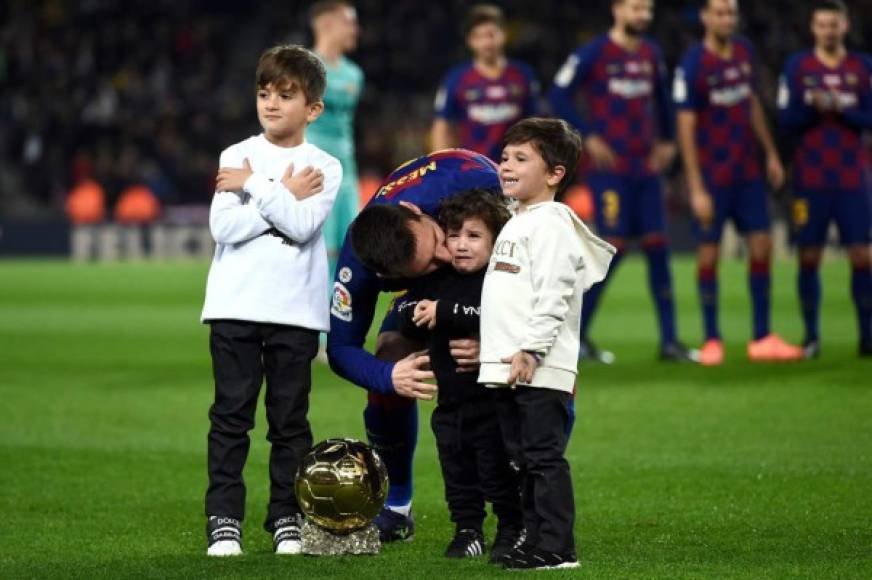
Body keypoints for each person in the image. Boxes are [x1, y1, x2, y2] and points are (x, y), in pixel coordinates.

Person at [200, 44, 340, 557]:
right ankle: (223, 519)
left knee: (289, 422)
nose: (272, 104)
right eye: (264, 93)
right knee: (231, 418)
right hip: (234, 306)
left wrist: (256, 186)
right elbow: (223, 227)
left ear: (314, 108)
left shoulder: (325, 164)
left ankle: (286, 517)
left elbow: (304, 227)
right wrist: (280, 192)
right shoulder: (234, 154)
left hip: (294, 311)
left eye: (286, 94)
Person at [327, 149, 502, 542]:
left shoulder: (476, 184)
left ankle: (532, 491)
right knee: (389, 359)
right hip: (423, 295)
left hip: (497, 268)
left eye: (438, 239)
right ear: (385, 276)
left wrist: (496, 337)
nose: (445, 254)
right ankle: (396, 507)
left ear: (414, 209)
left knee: (534, 357)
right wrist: (390, 377)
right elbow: (340, 349)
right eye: (428, 262)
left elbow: (542, 268)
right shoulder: (358, 264)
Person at [478, 118, 615, 570]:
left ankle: (557, 547)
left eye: (521, 158)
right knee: (521, 460)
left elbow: (554, 294)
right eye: (504, 157)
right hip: (511, 367)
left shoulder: (552, 224)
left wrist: (532, 350)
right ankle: (533, 540)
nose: (506, 166)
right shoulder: (519, 221)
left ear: (555, 174)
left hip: (537, 366)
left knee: (541, 458)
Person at [549, 0, 697, 364]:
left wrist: (667, 141)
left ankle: (669, 342)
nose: (643, 15)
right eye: (636, 8)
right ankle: (576, 339)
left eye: (647, 9)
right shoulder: (594, 52)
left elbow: (663, 102)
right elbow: (558, 94)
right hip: (609, 169)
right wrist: (587, 136)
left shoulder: (651, 53)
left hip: (645, 168)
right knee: (612, 248)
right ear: (617, 9)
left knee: (659, 248)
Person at [395, 190, 523, 562]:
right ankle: (467, 530)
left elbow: (490, 312)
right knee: (456, 472)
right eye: (453, 235)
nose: (461, 245)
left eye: (473, 236)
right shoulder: (436, 280)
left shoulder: (499, 278)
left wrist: (445, 311)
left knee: (496, 470)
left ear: (495, 240)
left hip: (494, 401)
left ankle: (511, 527)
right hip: (449, 402)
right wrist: (415, 310)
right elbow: (404, 309)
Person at [674, 0, 804, 365]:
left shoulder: (744, 51)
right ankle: (712, 339)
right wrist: (696, 187)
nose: (726, 19)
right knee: (710, 251)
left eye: (731, 13)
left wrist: (772, 154)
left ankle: (761, 336)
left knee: (761, 245)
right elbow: (685, 126)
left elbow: (751, 104)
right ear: (705, 17)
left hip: (747, 172)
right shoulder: (693, 64)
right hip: (713, 175)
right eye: (719, 13)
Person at [777, 0, 872, 358]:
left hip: (852, 179)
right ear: (813, 28)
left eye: (834, 24)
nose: (828, 31)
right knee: (809, 257)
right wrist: (812, 109)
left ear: (844, 26)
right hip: (810, 180)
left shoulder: (862, 67)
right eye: (822, 25)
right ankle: (812, 337)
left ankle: (866, 336)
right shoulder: (798, 67)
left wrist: (841, 107)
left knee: (862, 256)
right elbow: (785, 120)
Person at [431, 4, 539, 162]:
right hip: (473, 168)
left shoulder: (523, 74)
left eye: (491, 34)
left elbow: (535, 123)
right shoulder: (456, 78)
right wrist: (440, 165)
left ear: (503, 34)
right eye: (479, 36)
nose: (487, 42)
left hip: (514, 167)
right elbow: (442, 125)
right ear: (470, 41)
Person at [308, 0, 364, 279]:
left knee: (350, 250)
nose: (355, 29)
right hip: (313, 168)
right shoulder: (304, 68)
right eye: (349, 22)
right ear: (326, 23)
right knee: (321, 252)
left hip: (347, 171)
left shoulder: (354, 74)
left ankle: (341, 320)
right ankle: (317, 322)